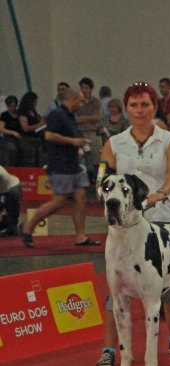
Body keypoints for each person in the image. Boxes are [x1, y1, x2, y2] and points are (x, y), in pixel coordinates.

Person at [95, 81, 170, 366]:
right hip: (126, 225)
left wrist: (159, 194)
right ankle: (109, 349)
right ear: (126, 109)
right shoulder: (114, 143)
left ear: (155, 107)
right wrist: (106, 195)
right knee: (118, 287)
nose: (140, 111)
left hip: (164, 216)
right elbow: (102, 176)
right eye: (134, 105)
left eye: (146, 105)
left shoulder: (169, 140)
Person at [21, 89, 99, 248]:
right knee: (59, 201)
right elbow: (49, 136)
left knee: (81, 197)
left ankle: (81, 237)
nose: (82, 104)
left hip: (73, 164)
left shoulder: (70, 116)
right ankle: (28, 227)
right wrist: (72, 141)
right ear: (73, 99)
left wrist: (76, 146)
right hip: (60, 164)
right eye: (80, 101)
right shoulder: (57, 114)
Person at [76, 77, 103, 180]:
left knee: (96, 158)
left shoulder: (96, 101)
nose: (84, 90)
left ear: (90, 89)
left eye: (86, 88)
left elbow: (97, 117)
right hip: (79, 132)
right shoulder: (77, 101)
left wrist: (81, 118)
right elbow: (74, 118)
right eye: (82, 87)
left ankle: (96, 180)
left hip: (92, 132)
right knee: (80, 157)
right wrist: (89, 118)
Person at [17, 91, 46, 167]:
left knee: (39, 159)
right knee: (30, 160)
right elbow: (25, 128)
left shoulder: (33, 111)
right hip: (27, 139)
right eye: (35, 101)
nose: (36, 103)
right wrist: (39, 125)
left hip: (37, 138)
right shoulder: (23, 113)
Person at [0, 95, 22, 166]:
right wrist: (13, 132)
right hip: (8, 138)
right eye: (9, 106)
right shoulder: (4, 115)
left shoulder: (20, 114)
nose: (11, 108)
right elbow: (1, 129)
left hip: (20, 137)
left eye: (13, 106)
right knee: (12, 149)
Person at [0, 165, 21, 237]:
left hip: (11, 190)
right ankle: (9, 227)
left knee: (10, 212)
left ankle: (11, 230)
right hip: (11, 187)